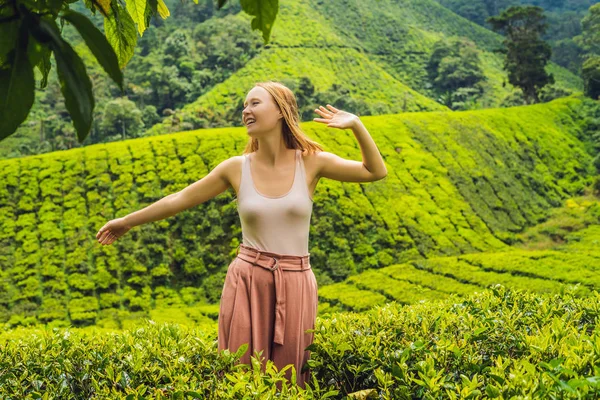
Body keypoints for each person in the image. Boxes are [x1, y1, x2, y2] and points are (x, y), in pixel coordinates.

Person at [95, 80, 388, 389]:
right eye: (245, 105)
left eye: (255, 103)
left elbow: (374, 171)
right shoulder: (235, 168)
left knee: (290, 379)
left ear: (280, 111)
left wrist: (356, 125)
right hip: (247, 278)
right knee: (239, 374)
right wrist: (127, 221)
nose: (246, 110)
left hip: (296, 280)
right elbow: (178, 200)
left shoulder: (311, 161)